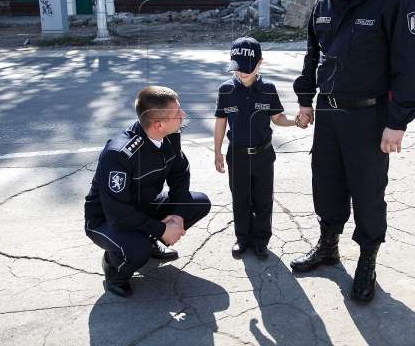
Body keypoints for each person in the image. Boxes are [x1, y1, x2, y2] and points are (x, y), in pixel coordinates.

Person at [291, 0, 415, 304]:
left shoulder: (395, 1)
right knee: (327, 184)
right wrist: (305, 100)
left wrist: (398, 121)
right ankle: (328, 246)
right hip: (328, 115)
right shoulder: (325, 1)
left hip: (369, 118)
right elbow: (312, 55)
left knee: (368, 193)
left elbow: (411, 69)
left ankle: (367, 260)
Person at [84, 86, 211, 297]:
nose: (183, 115)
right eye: (177, 113)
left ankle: (146, 240)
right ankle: (114, 267)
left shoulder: (169, 137)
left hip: (143, 207)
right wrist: (161, 230)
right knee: (137, 248)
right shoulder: (119, 154)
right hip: (105, 220)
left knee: (199, 203)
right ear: (159, 124)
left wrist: (177, 216)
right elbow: (118, 214)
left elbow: (180, 176)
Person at [214, 37, 297, 259]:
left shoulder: (268, 89)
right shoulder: (225, 90)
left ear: (259, 63)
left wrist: (295, 121)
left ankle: (261, 239)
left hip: (263, 154)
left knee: (262, 198)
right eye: (237, 69)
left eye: (247, 70)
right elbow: (221, 122)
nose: (241, 74)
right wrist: (217, 152)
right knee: (240, 197)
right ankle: (242, 238)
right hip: (237, 154)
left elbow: (278, 118)